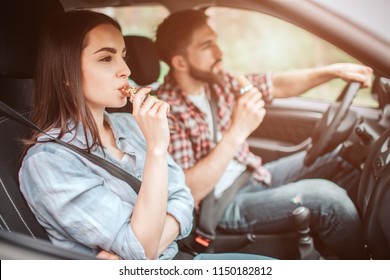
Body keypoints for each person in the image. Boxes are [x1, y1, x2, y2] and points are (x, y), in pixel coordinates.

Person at [18, 10, 271, 261]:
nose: (125, 70)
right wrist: (157, 147)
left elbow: (183, 197)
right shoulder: (49, 162)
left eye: (123, 56)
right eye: (106, 58)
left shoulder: (128, 124)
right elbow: (142, 249)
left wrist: (145, 244)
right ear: (66, 75)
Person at [154, 9, 372, 259]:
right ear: (180, 62)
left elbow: (275, 84)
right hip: (220, 206)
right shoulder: (165, 111)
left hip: (251, 175)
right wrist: (238, 130)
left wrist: (333, 72)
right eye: (206, 46)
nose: (219, 52)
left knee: (343, 158)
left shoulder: (218, 81)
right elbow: (188, 190)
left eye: (215, 41)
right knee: (329, 199)